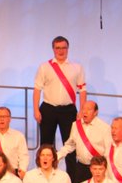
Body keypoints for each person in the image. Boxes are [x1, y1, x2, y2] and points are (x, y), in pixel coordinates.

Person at [32, 35, 86, 163]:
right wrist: (36, 110)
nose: (61, 51)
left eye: (64, 48)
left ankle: (72, 179)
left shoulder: (77, 67)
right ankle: (43, 173)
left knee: (71, 144)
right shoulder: (44, 67)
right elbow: (37, 89)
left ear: (68, 49)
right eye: (58, 48)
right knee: (46, 144)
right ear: (53, 49)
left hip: (68, 110)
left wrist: (82, 111)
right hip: (48, 108)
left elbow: (82, 90)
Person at [58, 100, 112, 183]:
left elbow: (108, 152)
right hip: (81, 167)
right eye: (83, 109)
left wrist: (107, 173)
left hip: (97, 169)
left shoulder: (104, 128)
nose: (85, 112)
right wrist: (58, 156)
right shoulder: (76, 125)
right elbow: (70, 145)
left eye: (89, 109)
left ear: (95, 112)